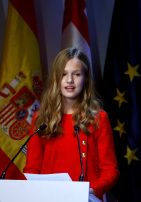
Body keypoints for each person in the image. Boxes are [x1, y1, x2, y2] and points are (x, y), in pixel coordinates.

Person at [24, 47, 119, 200]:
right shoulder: (41, 119)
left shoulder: (98, 118)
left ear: (86, 78)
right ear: (56, 79)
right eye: (64, 74)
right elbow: (32, 168)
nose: (69, 80)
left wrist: (92, 191)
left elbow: (110, 170)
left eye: (76, 74)